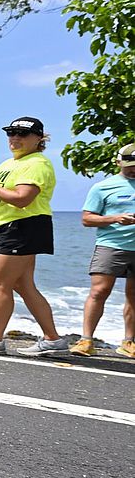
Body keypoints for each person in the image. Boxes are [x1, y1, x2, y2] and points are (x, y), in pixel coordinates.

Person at [0, 117, 69, 356]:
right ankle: (53, 340)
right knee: (23, 284)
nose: (15, 138)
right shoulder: (8, 164)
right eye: (11, 133)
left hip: (23, 225)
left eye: (22, 134)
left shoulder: (36, 163)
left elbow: (22, 198)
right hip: (4, 226)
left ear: (39, 139)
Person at [69, 143, 135, 359]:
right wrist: (116, 218)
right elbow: (87, 219)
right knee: (99, 292)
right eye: (129, 165)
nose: (134, 169)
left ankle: (129, 342)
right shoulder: (103, 187)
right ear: (118, 162)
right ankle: (86, 340)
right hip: (111, 245)